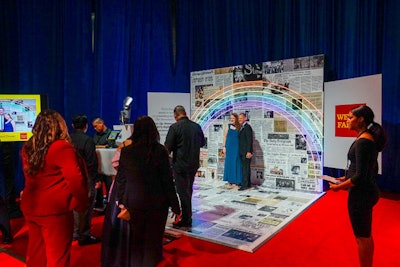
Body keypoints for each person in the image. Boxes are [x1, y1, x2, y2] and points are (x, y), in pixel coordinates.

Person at [103, 116, 181, 267]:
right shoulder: (160, 151)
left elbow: (122, 180)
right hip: (157, 204)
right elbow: (167, 181)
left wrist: (122, 203)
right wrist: (176, 206)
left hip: (134, 203)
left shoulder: (127, 151)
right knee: (152, 243)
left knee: (136, 243)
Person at [20, 109, 89, 267]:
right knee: (58, 258)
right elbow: (75, 180)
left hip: (32, 208)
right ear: (60, 126)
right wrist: (81, 202)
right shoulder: (61, 148)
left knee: (36, 254)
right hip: (55, 212)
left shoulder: (28, 147)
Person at [329, 105, 386, 267]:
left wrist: (338, 187)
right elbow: (365, 169)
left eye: (349, 117)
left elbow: (360, 176)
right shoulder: (366, 139)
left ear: (360, 120)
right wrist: (344, 178)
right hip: (365, 192)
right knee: (365, 235)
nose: (346, 120)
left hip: (361, 194)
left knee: (362, 237)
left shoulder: (363, 141)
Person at [165, 105, 205, 228]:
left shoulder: (174, 127)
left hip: (180, 165)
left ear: (175, 115)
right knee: (188, 190)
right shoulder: (196, 126)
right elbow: (202, 143)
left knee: (183, 192)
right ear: (185, 113)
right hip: (193, 164)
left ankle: (187, 219)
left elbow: (167, 148)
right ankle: (187, 215)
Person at [70, 114, 101, 246]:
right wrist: (95, 179)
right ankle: (84, 235)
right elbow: (91, 162)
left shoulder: (67, 139)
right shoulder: (88, 140)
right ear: (86, 126)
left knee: (74, 207)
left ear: (72, 126)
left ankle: (75, 233)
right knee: (87, 207)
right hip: (86, 178)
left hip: (71, 177)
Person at [92, 117, 113, 209]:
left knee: (109, 185)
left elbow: (109, 145)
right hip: (99, 165)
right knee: (99, 186)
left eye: (96, 126)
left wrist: (100, 146)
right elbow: (94, 145)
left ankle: (110, 204)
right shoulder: (96, 135)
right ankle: (99, 203)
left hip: (108, 165)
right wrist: (102, 146)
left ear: (101, 124)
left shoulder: (111, 133)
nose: (95, 128)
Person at [222, 113, 242, 187]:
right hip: (229, 147)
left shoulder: (239, 127)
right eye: (231, 118)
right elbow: (224, 136)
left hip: (236, 147)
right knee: (229, 163)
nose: (232, 119)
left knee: (236, 163)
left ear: (236, 119)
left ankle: (236, 181)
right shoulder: (228, 126)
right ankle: (230, 180)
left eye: (233, 118)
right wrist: (224, 146)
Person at [238, 113, 253, 191]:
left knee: (245, 168)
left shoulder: (247, 127)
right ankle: (247, 183)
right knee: (245, 168)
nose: (239, 120)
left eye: (241, 118)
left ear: (245, 118)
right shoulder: (242, 127)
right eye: (239, 118)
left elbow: (249, 140)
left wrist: (249, 151)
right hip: (242, 152)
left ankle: (244, 185)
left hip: (246, 152)